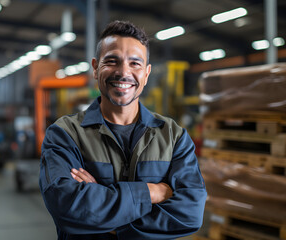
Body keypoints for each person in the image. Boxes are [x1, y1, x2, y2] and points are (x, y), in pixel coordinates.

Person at [39, 20, 207, 240]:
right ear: (95, 68)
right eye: (112, 61)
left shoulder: (173, 136)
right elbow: (67, 206)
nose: (123, 72)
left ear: (146, 74)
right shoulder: (64, 134)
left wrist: (112, 225)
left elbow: (190, 214)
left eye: (135, 63)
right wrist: (153, 192)